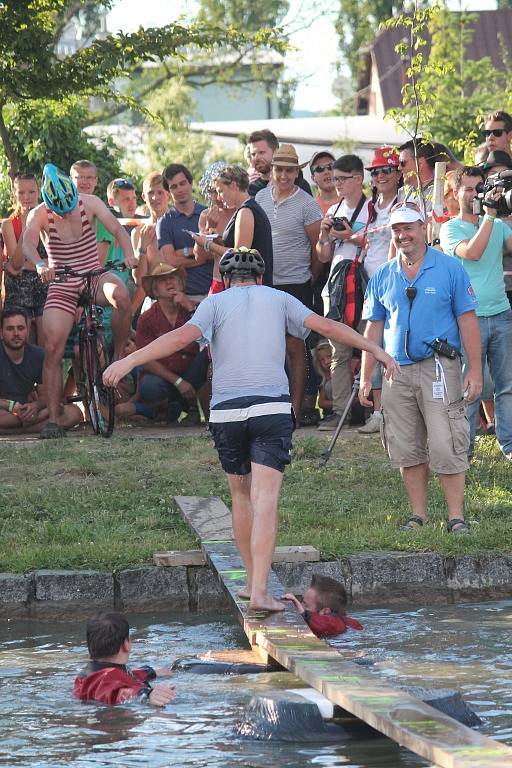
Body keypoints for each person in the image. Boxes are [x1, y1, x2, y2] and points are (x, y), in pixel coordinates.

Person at [103, 247, 399, 611]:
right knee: (266, 499)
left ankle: (249, 583)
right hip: (270, 408)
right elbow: (326, 326)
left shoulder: (213, 303)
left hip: (227, 412)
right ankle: (259, 590)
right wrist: (376, 350)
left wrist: (129, 360)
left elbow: (180, 338)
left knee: (241, 498)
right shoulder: (279, 298)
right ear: (261, 278)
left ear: (226, 280)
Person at [360, 202, 482, 534]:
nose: (403, 235)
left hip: (440, 368)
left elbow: (467, 320)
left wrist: (475, 370)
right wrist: (365, 374)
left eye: (408, 228)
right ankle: (418, 515)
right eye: (397, 230)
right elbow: (373, 328)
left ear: (423, 226)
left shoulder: (450, 268)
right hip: (395, 371)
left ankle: (456, 517)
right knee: (406, 445)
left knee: (447, 443)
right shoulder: (384, 274)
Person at [22, 164, 135, 439]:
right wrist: (39, 264)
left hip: (93, 275)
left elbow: (118, 231)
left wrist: (130, 255)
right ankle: (54, 418)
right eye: (59, 210)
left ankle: (118, 357)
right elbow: (27, 241)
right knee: (52, 347)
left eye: (69, 206)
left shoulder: (91, 202)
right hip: (61, 282)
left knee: (120, 294)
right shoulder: (39, 214)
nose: (65, 212)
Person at [439, 166, 512, 461]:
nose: (474, 194)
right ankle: (464, 450)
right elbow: (473, 252)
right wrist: (492, 217)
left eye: (478, 187)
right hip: (468, 319)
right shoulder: (450, 228)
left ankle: (508, 445)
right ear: (456, 194)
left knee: (507, 385)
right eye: (468, 189)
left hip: (502, 313)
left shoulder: (496, 223)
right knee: (469, 388)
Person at [255, 144, 323, 421]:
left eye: (289, 170)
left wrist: (310, 276)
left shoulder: (307, 203)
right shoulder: (259, 197)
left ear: (297, 172)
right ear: (272, 171)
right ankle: (272, 405)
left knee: (295, 346)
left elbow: (316, 246)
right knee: (268, 345)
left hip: (296, 283)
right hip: (266, 282)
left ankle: (295, 408)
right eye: (279, 169)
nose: (284, 175)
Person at [316, 154, 370, 431]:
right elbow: (323, 256)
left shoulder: (373, 209)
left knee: (371, 349)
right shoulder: (333, 209)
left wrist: (349, 235)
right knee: (339, 352)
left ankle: (375, 410)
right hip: (337, 288)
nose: (336, 183)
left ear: (358, 179)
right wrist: (325, 235)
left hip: (365, 285)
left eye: (341, 178)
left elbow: (379, 244)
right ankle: (340, 412)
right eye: (333, 178)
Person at [358, 147, 402, 435]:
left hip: (395, 283)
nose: (381, 176)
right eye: (375, 172)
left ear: (399, 173)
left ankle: (396, 410)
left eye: (386, 170)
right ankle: (377, 412)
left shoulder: (405, 203)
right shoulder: (369, 206)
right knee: (371, 345)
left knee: (393, 347)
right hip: (368, 284)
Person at [133, 263, 207, 423]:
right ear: (155, 290)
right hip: (164, 378)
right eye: (162, 280)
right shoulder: (146, 319)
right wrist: (178, 382)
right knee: (150, 385)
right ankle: (166, 411)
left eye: (172, 278)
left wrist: (188, 305)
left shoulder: (195, 308)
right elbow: (145, 360)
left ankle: (189, 408)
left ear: (181, 284)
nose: (169, 282)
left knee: (207, 354)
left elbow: (209, 335)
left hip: (192, 373)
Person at [191, 164, 273, 292]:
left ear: (234, 185)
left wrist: (207, 244)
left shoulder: (246, 211)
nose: (218, 197)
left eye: (220, 191)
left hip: (252, 289)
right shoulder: (247, 208)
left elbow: (240, 256)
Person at [0, 306, 82, 433]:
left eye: (20, 328)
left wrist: (36, 406)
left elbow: (46, 396)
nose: (16, 333)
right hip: (5, 410)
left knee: (74, 413)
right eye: (10, 329)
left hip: (27, 411)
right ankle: (27, 427)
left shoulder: (38, 355)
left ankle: (12, 430)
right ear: (1, 332)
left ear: (27, 331)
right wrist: (9, 406)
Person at [74, 612, 176, 707]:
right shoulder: (107, 678)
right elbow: (116, 692)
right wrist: (147, 695)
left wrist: (151, 672)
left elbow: (123, 678)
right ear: (126, 645)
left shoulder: (89, 675)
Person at [2, 173, 48, 344]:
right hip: (19, 290)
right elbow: (16, 263)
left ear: (39, 192)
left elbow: (57, 257)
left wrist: (34, 264)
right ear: (14, 194)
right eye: (21, 193)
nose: (27, 197)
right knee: (22, 342)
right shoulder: (9, 224)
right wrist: (28, 227)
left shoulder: (50, 219)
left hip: (45, 286)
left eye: (31, 192)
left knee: (47, 345)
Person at [158, 163, 211, 302]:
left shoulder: (208, 214)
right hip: (183, 296)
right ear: (168, 192)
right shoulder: (164, 222)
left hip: (214, 292)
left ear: (190, 183)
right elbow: (172, 261)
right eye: (174, 186)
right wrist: (201, 255)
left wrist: (183, 252)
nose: (180, 189)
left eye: (182, 183)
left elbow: (216, 254)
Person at [131, 172, 171, 313]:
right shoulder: (138, 232)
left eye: (160, 192)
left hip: (181, 299)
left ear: (169, 195)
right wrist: (142, 246)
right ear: (143, 197)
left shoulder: (179, 225)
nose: (155, 198)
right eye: (150, 193)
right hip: (153, 303)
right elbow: (138, 280)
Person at [282, 574, 363, 639]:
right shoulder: (341, 623)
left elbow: (322, 623)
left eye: (305, 605)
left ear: (325, 612)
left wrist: (303, 613)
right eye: (301, 602)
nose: (300, 606)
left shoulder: (334, 623)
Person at [247, 129, 312, 197]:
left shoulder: (300, 185)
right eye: (253, 154)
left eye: (261, 152)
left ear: (276, 152)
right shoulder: (251, 189)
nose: (256, 158)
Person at [309, 151, 339, 216]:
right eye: (319, 169)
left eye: (331, 166)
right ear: (313, 178)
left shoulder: (351, 202)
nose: (326, 171)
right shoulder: (310, 209)